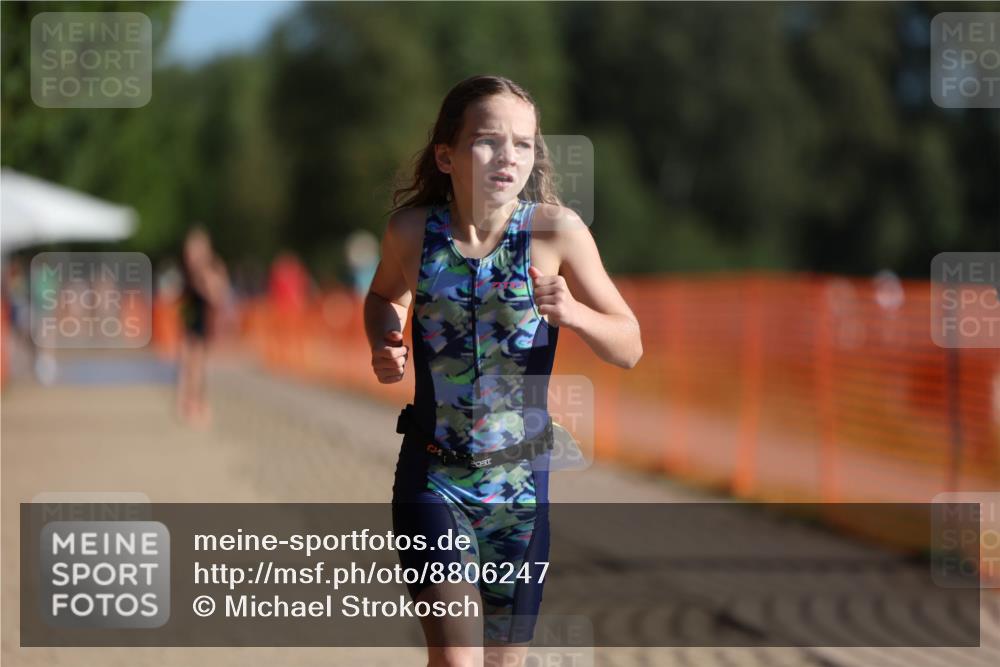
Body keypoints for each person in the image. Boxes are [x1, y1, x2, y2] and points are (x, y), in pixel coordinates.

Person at [365, 75, 642, 667]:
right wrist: (383, 339)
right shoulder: (411, 233)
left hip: (519, 491)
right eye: (489, 140)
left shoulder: (555, 232)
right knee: (457, 659)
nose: (508, 156)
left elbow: (630, 346)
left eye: (522, 143)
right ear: (447, 156)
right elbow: (384, 296)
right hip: (432, 477)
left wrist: (575, 313)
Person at [176, 227, 229, 428]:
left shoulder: (210, 269)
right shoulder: (191, 272)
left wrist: (206, 284)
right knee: (188, 364)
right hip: (193, 319)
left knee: (199, 366)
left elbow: (218, 294)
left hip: (206, 321)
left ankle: (198, 403)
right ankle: (188, 403)